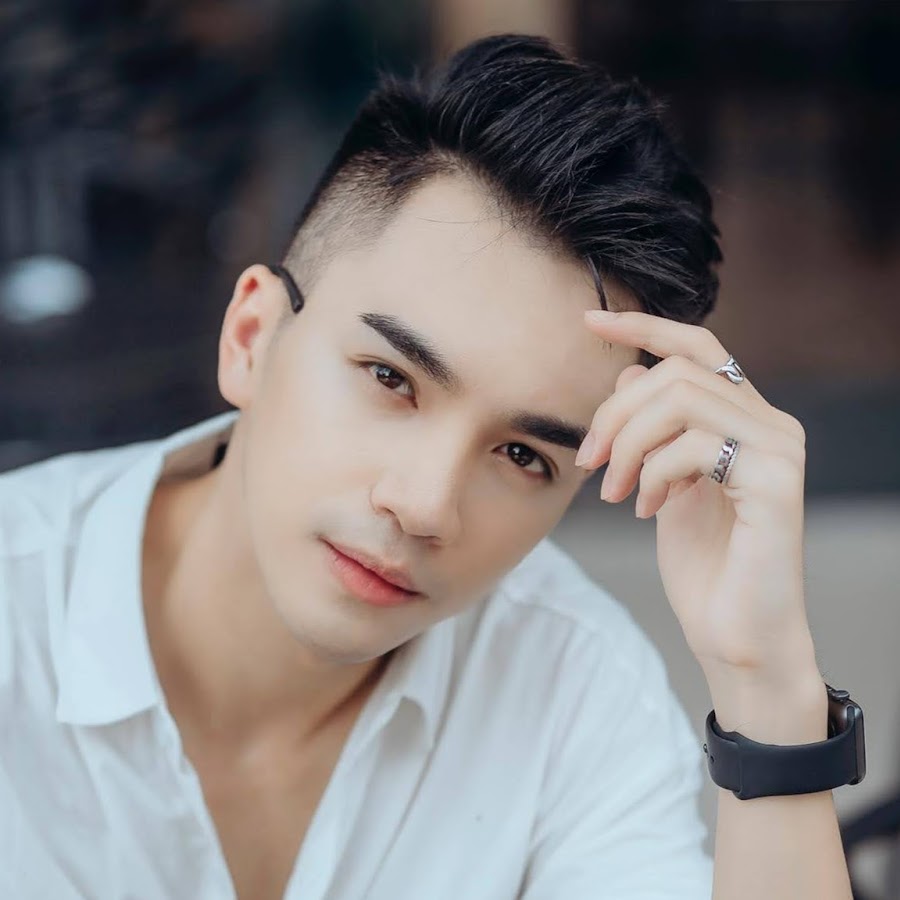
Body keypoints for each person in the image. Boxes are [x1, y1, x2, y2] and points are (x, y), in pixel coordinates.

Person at [0, 33, 858, 900]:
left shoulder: (575, 688)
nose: (425, 506)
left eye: (522, 455)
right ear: (252, 337)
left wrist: (764, 679)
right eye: (390, 379)